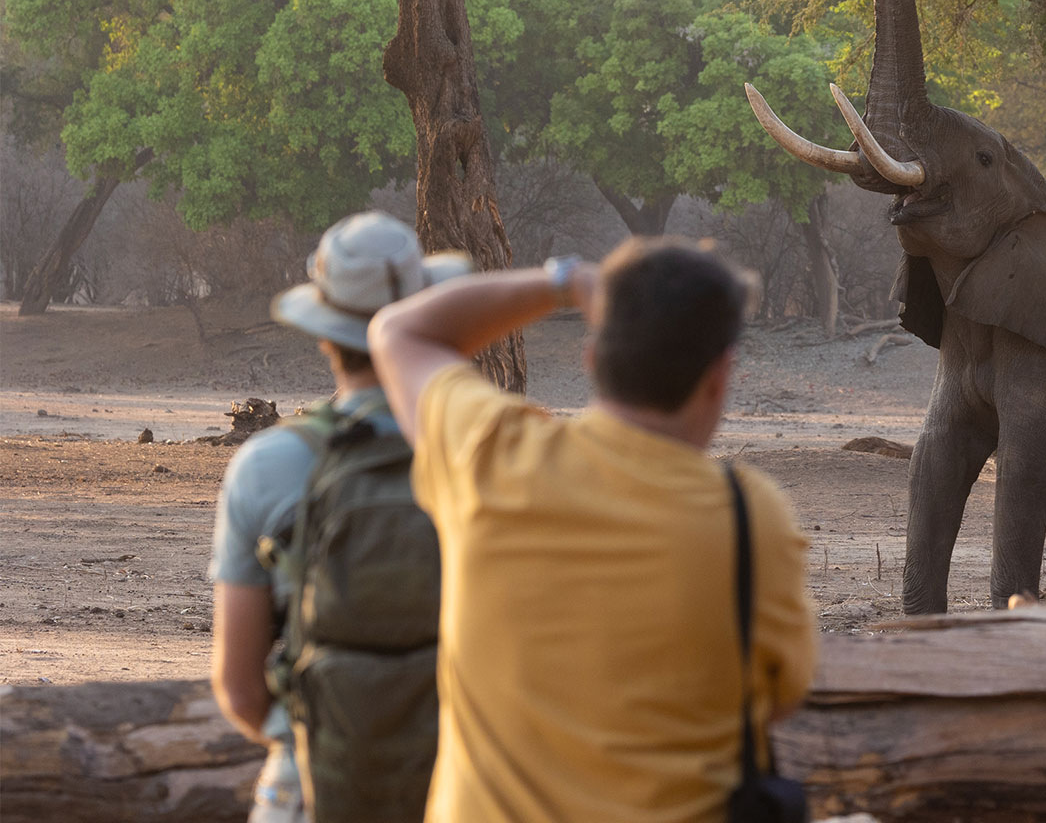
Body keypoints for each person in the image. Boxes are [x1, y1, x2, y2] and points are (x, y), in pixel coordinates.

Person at [366, 237, 818, 823]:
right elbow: (782, 695)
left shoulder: (494, 458)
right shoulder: (752, 515)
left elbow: (400, 331)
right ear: (719, 376)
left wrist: (566, 282)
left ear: (591, 356)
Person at [209, 211, 468, 823]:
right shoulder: (488, 448)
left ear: (322, 333)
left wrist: (323, 740)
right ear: (424, 309)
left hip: (315, 787)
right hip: (468, 785)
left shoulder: (269, 463)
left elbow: (241, 692)